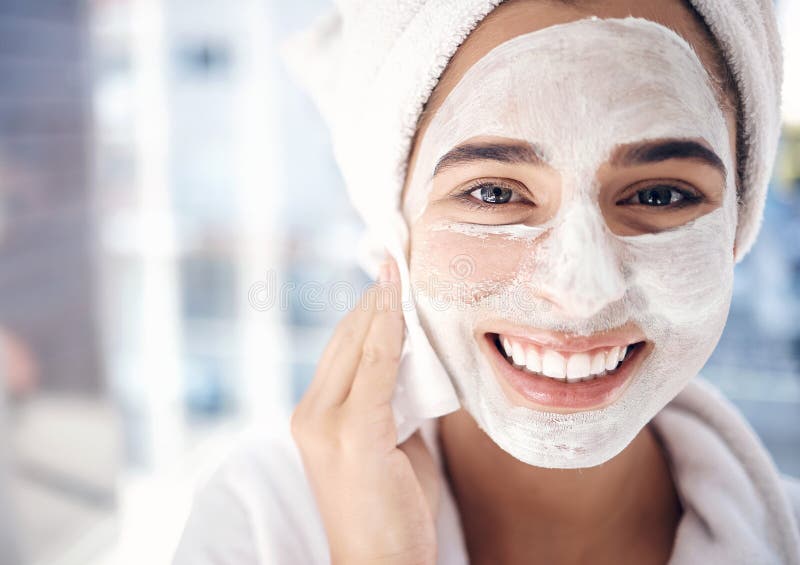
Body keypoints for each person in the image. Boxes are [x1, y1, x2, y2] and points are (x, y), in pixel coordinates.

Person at [173, 0, 800, 563]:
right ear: (395, 225)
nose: (580, 293)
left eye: (660, 194)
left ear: (739, 224)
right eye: (494, 193)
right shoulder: (257, 529)